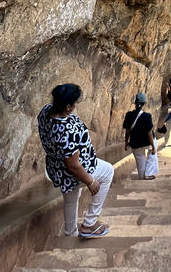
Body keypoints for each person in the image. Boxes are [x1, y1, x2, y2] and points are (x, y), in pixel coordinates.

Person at [37, 83, 114, 238]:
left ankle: (70, 232)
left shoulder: (46, 111)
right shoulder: (66, 131)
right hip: (74, 170)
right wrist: (90, 182)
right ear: (68, 106)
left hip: (57, 168)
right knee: (108, 171)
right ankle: (90, 224)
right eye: (74, 103)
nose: (75, 105)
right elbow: (73, 165)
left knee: (71, 198)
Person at [123, 91, 158, 179]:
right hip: (147, 142)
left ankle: (142, 176)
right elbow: (149, 133)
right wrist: (153, 147)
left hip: (135, 143)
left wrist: (126, 142)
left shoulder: (128, 115)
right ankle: (148, 173)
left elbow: (127, 131)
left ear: (135, 103)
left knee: (140, 160)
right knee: (152, 153)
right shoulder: (147, 116)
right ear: (144, 104)